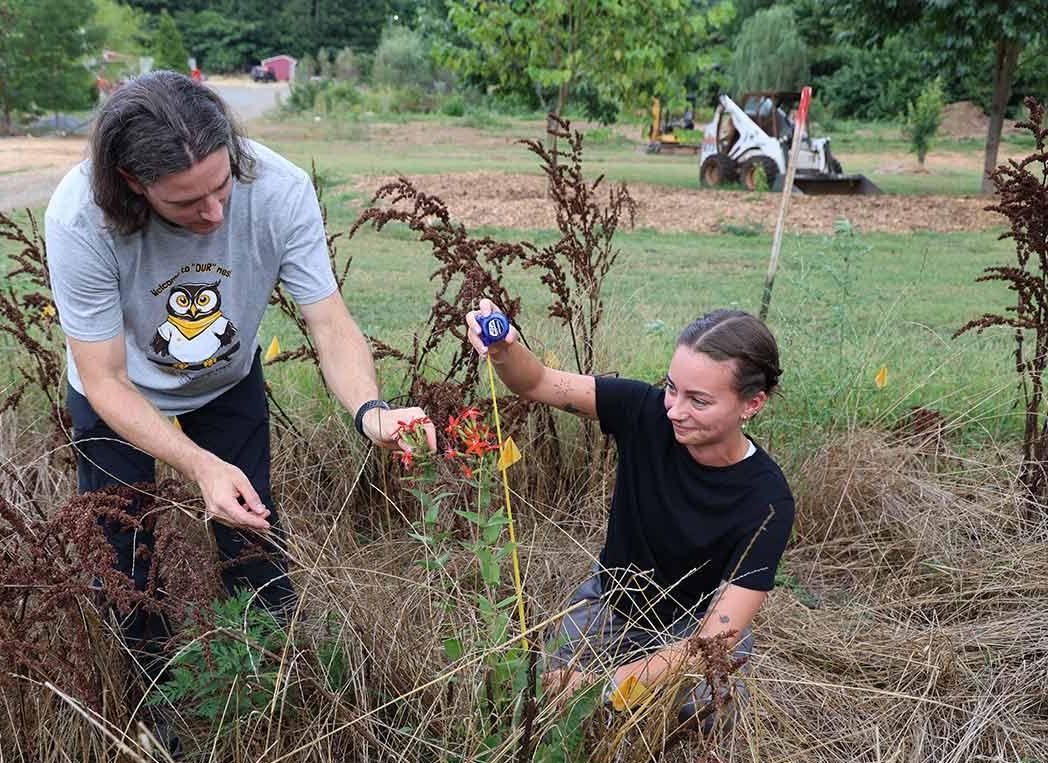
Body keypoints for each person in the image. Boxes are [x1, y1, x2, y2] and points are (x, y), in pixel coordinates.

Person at [45, 71, 434, 699]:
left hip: (227, 380)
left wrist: (371, 412)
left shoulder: (280, 189)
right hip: (120, 397)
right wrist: (199, 466)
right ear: (131, 185)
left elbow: (330, 324)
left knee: (252, 530)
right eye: (185, 203)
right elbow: (105, 378)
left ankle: (275, 680)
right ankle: (152, 700)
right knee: (123, 553)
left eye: (222, 186)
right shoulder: (78, 219)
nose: (215, 213)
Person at [465, 300, 792, 722]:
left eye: (699, 400)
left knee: (700, 711)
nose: (673, 409)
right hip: (611, 604)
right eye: (672, 388)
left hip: (693, 629)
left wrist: (599, 688)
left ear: (752, 404)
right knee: (541, 692)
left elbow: (711, 641)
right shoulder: (643, 410)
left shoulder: (768, 500)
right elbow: (539, 382)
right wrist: (506, 350)